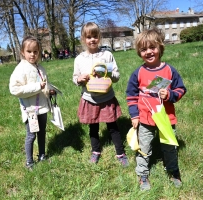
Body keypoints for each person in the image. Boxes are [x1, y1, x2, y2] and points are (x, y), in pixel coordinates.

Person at [126, 28, 187, 190]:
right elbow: (131, 96)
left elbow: (181, 90)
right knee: (144, 148)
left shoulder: (169, 70)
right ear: (139, 53)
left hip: (166, 119)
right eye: (143, 49)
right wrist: (134, 115)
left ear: (160, 47)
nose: (149, 52)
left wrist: (169, 95)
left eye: (152, 47)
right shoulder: (138, 73)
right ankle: (143, 174)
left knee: (169, 147)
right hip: (145, 119)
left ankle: (173, 171)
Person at [73, 22, 129, 167]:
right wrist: (79, 79)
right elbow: (75, 78)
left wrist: (108, 73)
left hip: (106, 97)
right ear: (83, 39)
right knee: (93, 127)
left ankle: (120, 153)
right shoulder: (79, 59)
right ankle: (95, 151)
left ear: (99, 37)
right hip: (89, 98)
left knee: (113, 127)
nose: (92, 40)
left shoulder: (107, 55)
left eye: (95, 36)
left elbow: (116, 76)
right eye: (88, 37)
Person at [9, 36, 54, 170]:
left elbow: (44, 85)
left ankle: (42, 155)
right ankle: (29, 162)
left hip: (42, 108)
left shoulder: (40, 68)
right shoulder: (20, 69)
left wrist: (49, 91)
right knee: (31, 135)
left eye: (35, 51)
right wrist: (37, 87)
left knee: (42, 133)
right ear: (22, 52)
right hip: (30, 110)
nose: (32, 54)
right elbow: (15, 89)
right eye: (29, 51)